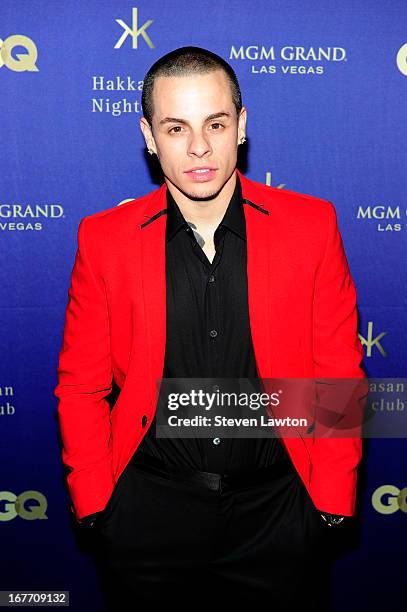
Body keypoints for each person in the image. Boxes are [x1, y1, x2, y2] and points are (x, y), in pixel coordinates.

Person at [54, 46, 366, 611]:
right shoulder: (104, 239)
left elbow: (338, 374)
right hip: (148, 512)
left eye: (215, 124)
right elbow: (81, 385)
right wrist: (98, 502)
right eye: (176, 128)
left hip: (279, 512)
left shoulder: (311, 226)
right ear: (149, 136)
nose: (199, 147)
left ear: (241, 126)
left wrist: (332, 501)